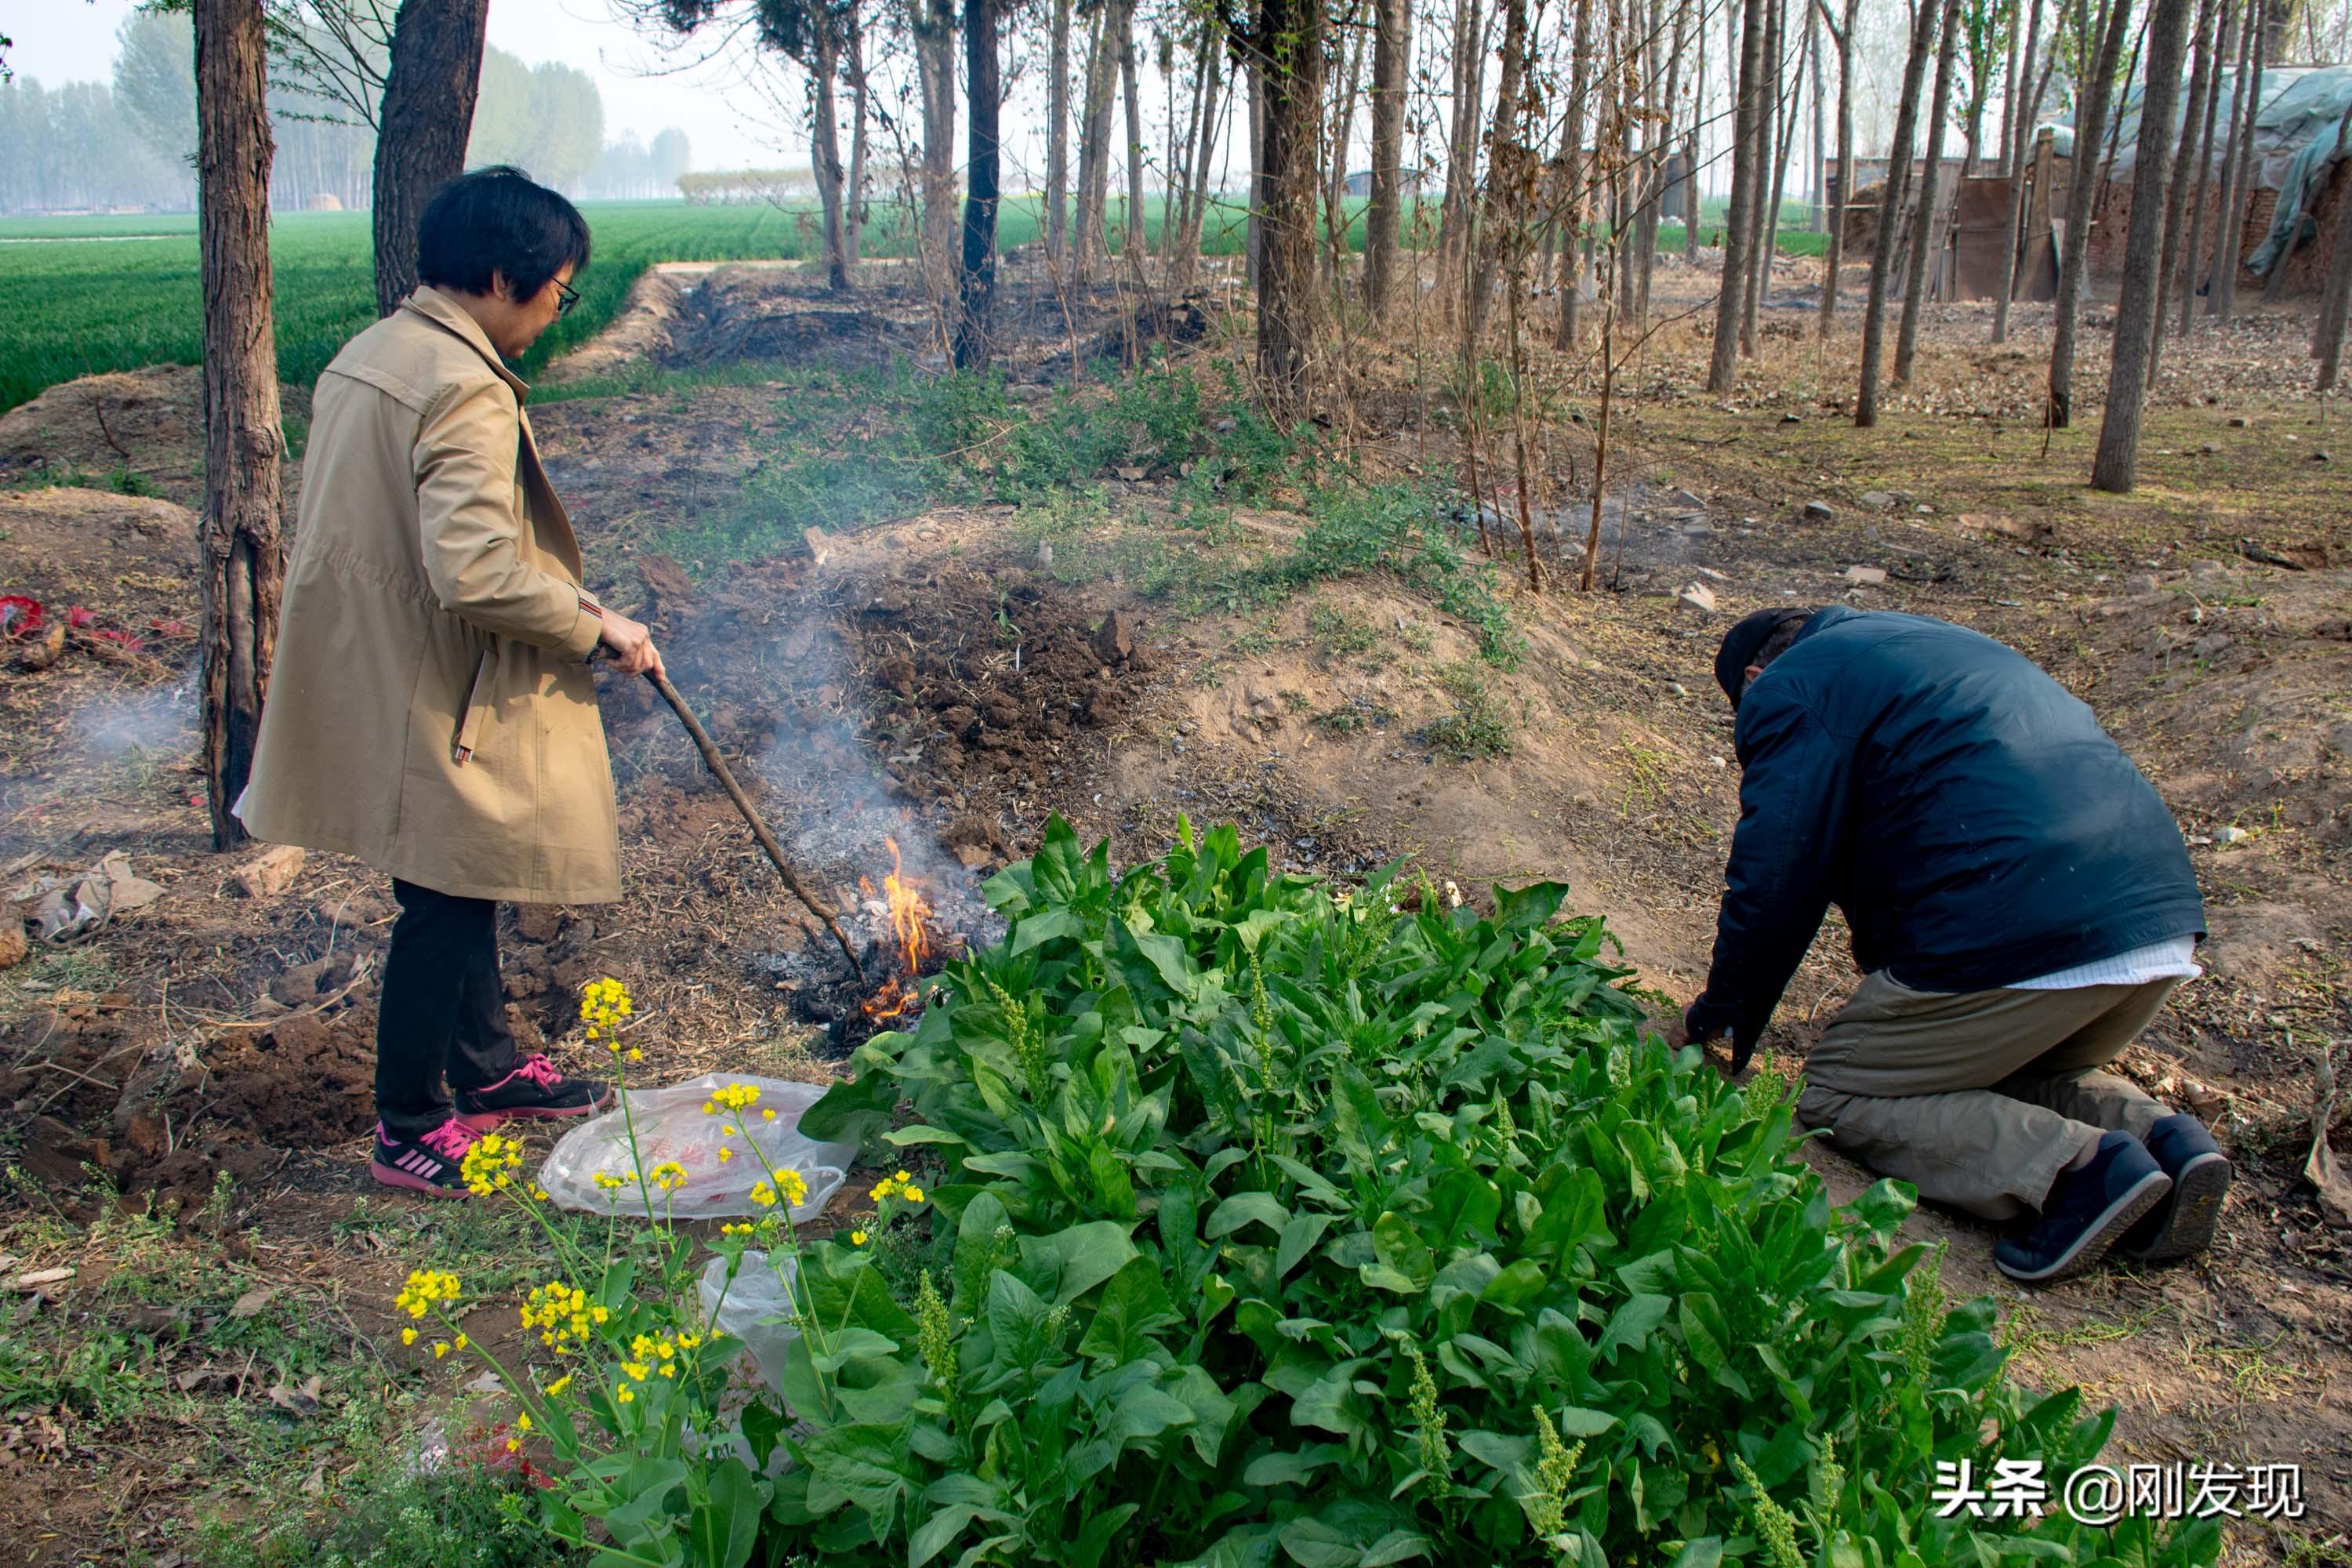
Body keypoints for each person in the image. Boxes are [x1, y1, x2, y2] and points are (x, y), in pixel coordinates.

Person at [237, 168, 665, 1197]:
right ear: (500, 275)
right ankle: (409, 1123)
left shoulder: (375, 351)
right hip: (436, 673)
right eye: (556, 292)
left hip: (372, 652)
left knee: (457, 877)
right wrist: (592, 625)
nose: (559, 314)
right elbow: (472, 568)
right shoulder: (463, 384)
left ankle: (485, 1070)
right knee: (442, 898)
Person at [1668, 606, 2230, 1284]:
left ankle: (2078, 1173)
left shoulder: (1792, 686)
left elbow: (1778, 873)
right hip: (2155, 921)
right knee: (1966, 1066)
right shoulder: (1923, 645)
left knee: (1838, 1092)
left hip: (2030, 927)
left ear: (1754, 677)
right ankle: (2163, 1141)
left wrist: (1722, 1010)